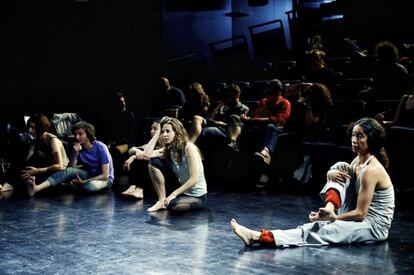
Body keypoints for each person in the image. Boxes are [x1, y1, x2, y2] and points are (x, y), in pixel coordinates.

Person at [231, 117, 394, 248]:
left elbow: (360, 214)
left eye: (359, 136)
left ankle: (259, 237)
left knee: (325, 230)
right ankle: (329, 208)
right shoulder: (358, 161)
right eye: (353, 135)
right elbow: (341, 181)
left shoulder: (371, 170)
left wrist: (334, 219)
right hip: (357, 216)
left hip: (373, 227)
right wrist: (331, 174)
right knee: (340, 167)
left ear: (371, 140)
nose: (353, 139)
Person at [27, 121, 114, 196]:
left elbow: (104, 175)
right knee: (67, 171)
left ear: (88, 135)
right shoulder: (78, 147)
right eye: (76, 134)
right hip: (90, 174)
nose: (77, 137)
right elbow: (71, 168)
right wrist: (74, 153)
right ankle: (36, 188)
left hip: (105, 179)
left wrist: (84, 181)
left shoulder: (100, 147)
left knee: (90, 186)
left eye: (80, 134)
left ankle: (81, 185)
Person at [144, 117, 207, 212]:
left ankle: (170, 202)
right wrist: (158, 132)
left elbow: (194, 179)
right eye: (163, 132)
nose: (164, 135)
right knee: (153, 162)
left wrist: (174, 194)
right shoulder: (170, 149)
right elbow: (147, 154)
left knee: (173, 205)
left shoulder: (189, 148)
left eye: (168, 131)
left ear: (176, 133)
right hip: (183, 192)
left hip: (198, 196)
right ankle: (161, 201)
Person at [1, 114, 69, 193]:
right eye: (29, 127)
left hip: (55, 171)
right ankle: (6, 183)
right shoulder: (35, 140)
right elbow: (28, 160)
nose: (29, 130)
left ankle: (10, 184)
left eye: (32, 127)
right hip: (41, 168)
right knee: (20, 163)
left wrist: (37, 171)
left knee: (38, 155)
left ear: (40, 127)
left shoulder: (53, 140)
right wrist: (24, 168)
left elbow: (59, 166)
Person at [189, 84, 249, 151]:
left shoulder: (243, 108)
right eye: (226, 96)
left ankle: (191, 150)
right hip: (214, 124)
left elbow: (236, 126)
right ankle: (189, 145)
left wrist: (219, 123)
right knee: (196, 118)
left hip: (225, 130)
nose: (227, 98)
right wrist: (217, 108)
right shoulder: (223, 106)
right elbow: (211, 119)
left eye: (230, 96)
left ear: (237, 96)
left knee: (204, 131)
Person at [121, 120, 163, 199]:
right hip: (148, 179)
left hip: (160, 178)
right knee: (136, 158)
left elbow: (149, 156)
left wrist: (133, 157)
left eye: (155, 129)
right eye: (151, 129)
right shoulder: (149, 145)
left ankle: (140, 188)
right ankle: (133, 186)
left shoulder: (167, 147)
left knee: (146, 161)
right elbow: (131, 150)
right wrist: (137, 151)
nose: (151, 131)